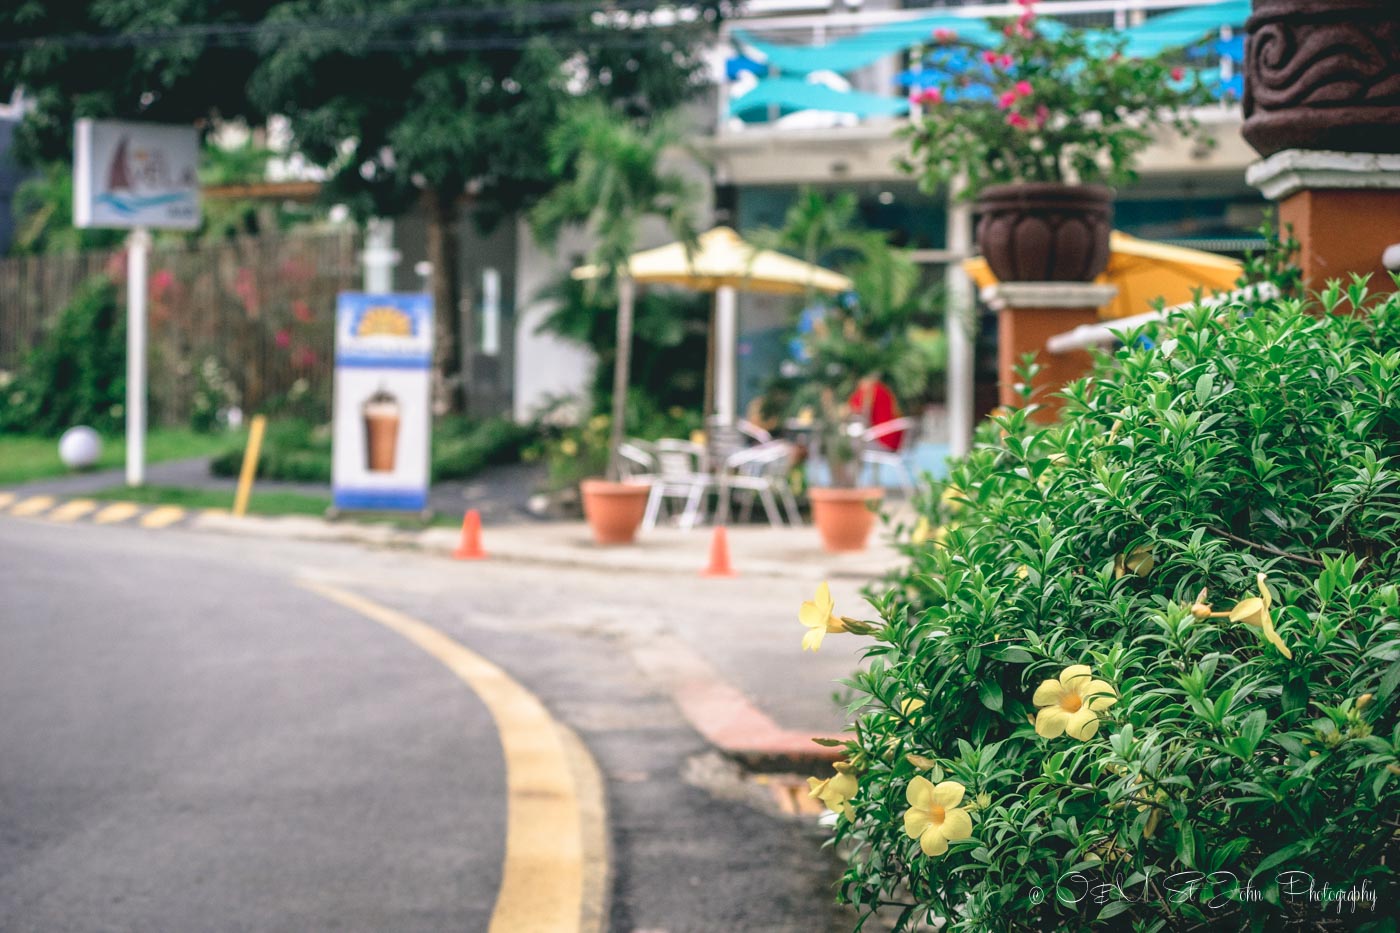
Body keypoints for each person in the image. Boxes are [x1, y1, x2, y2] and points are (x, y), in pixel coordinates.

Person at [848, 375, 904, 451]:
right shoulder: (883, 389)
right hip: (898, 442)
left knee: (853, 442)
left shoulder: (869, 391)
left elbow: (853, 409)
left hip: (884, 441)